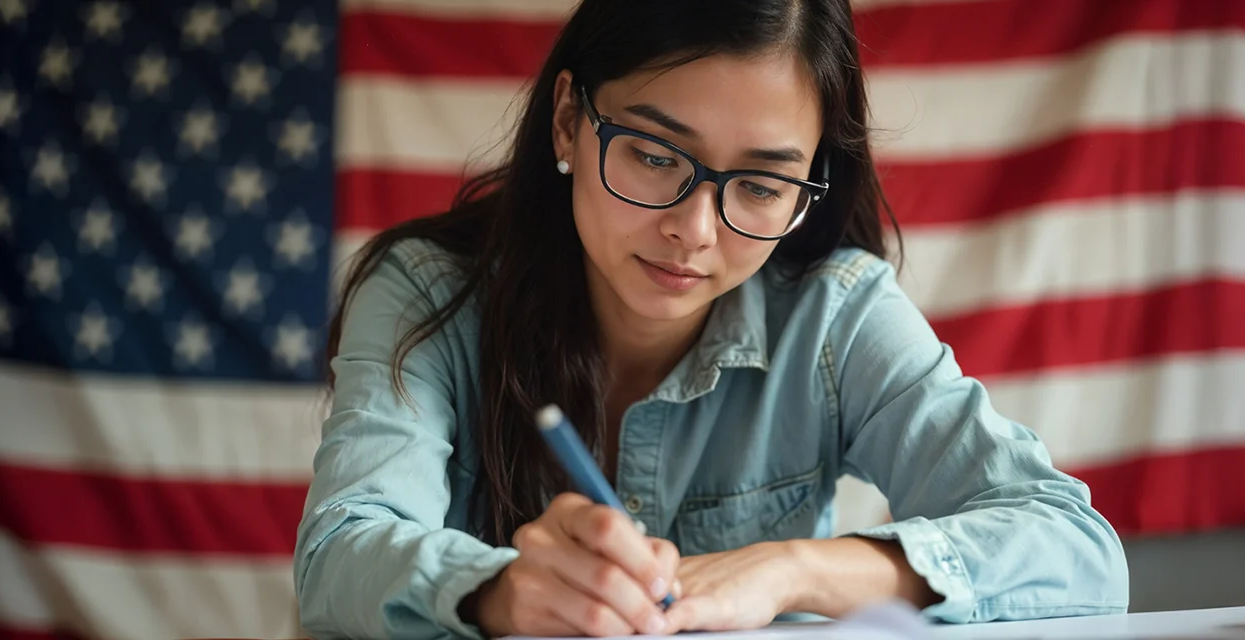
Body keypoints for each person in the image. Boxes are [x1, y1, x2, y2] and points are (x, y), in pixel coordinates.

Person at [293, 1, 1130, 638]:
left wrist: (790, 571)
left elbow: (1074, 548)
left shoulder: (837, 316)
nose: (694, 232)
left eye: (761, 187)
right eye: (655, 156)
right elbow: (339, 551)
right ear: (568, 122)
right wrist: (500, 591)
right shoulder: (427, 294)